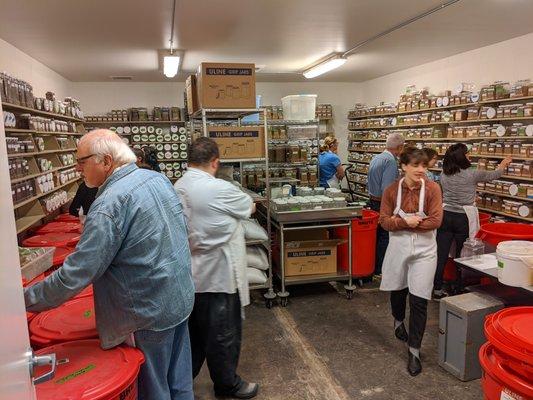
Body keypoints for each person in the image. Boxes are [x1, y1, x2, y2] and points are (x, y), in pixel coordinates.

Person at [25, 129, 195, 400]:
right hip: (178, 299)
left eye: (82, 161)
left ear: (106, 161)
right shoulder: (157, 179)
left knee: (155, 391)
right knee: (179, 383)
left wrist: (22, 300)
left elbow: (77, 274)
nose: (77, 168)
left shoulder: (108, 205)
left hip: (145, 315)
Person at [175, 137, 259, 399]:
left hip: (190, 274)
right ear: (215, 162)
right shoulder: (219, 188)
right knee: (224, 335)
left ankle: (180, 384)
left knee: (194, 336)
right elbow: (249, 206)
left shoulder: (177, 186)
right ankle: (227, 385)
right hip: (219, 275)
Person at [379, 147, 443, 376]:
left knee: (419, 299)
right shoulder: (391, 190)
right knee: (398, 290)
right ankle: (398, 319)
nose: (420, 170)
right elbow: (384, 221)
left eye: (424, 166)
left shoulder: (434, 189)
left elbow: (436, 220)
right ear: (404, 166)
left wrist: (413, 223)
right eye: (415, 165)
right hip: (399, 247)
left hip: (425, 250)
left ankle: (414, 350)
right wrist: (408, 223)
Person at [434, 143, 512, 299]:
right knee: (461, 254)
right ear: (462, 157)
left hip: (446, 216)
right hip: (463, 217)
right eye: (468, 153)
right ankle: (458, 287)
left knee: (441, 254)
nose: (470, 155)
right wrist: (503, 164)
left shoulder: (444, 174)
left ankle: (436, 288)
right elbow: (494, 175)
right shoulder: (472, 174)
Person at [367, 132, 405, 276]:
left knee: (376, 236)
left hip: (373, 201)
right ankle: (380, 268)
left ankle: (373, 266)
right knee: (384, 236)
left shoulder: (377, 157)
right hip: (382, 203)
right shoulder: (390, 161)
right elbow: (387, 189)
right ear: (400, 147)